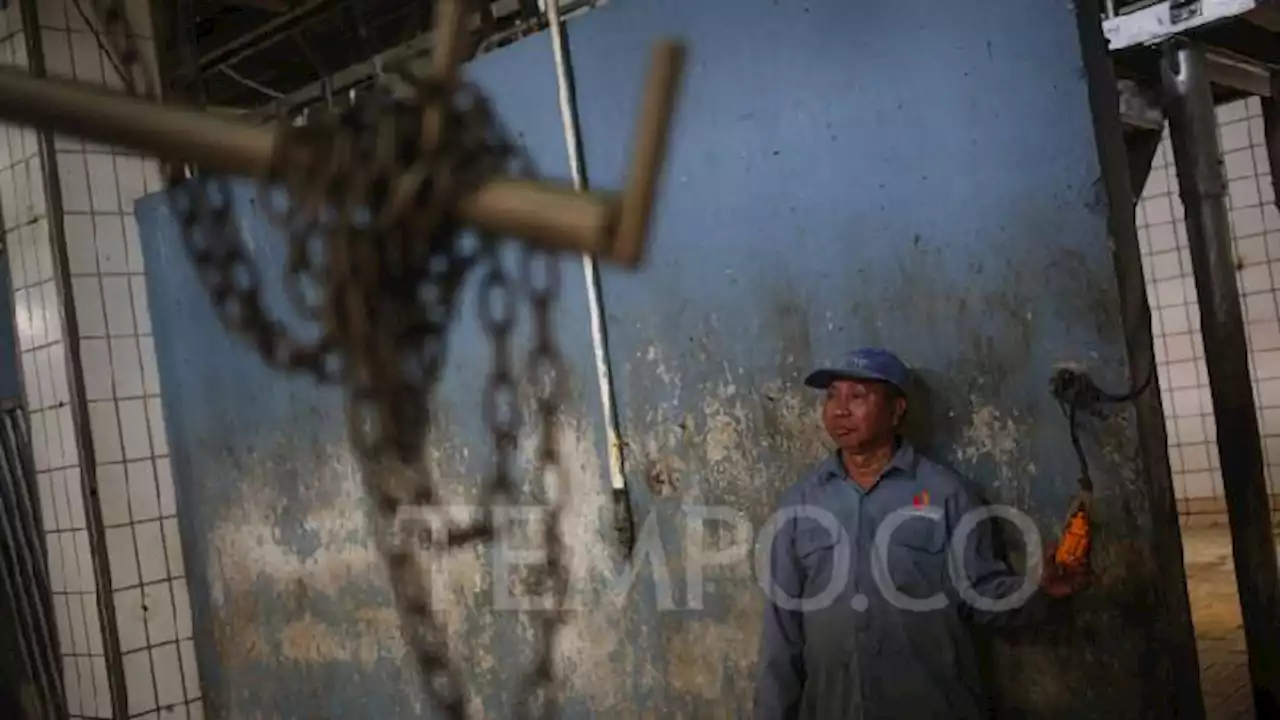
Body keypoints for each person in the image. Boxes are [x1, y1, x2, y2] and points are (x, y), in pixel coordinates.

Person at [753, 347, 1087, 720]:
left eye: (858, 396)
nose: (839, 409)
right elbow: (781, 634)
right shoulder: (799, 504)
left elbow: (983, 596)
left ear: (897, 410)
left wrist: (1036, 592)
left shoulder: (948, 494)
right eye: (832, 395)